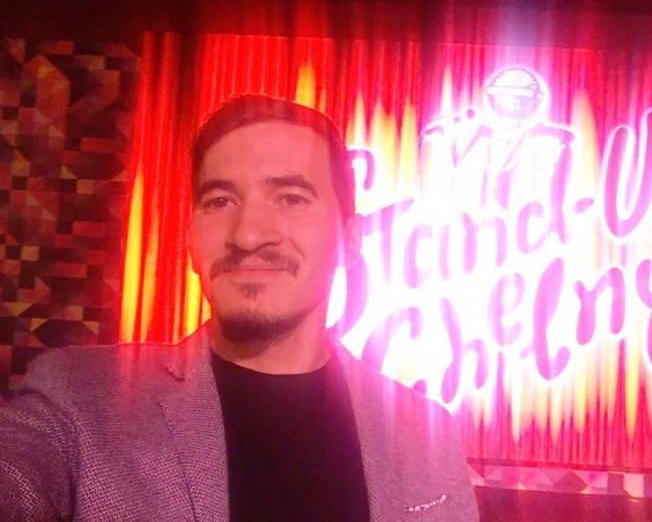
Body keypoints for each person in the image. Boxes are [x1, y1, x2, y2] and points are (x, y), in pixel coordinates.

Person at [0, 95, 480, 521]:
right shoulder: (80, 398)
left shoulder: (427, 435)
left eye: (290, 198)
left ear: (349, 240)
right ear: (190, 239)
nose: (248, 235)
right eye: (220, 201)